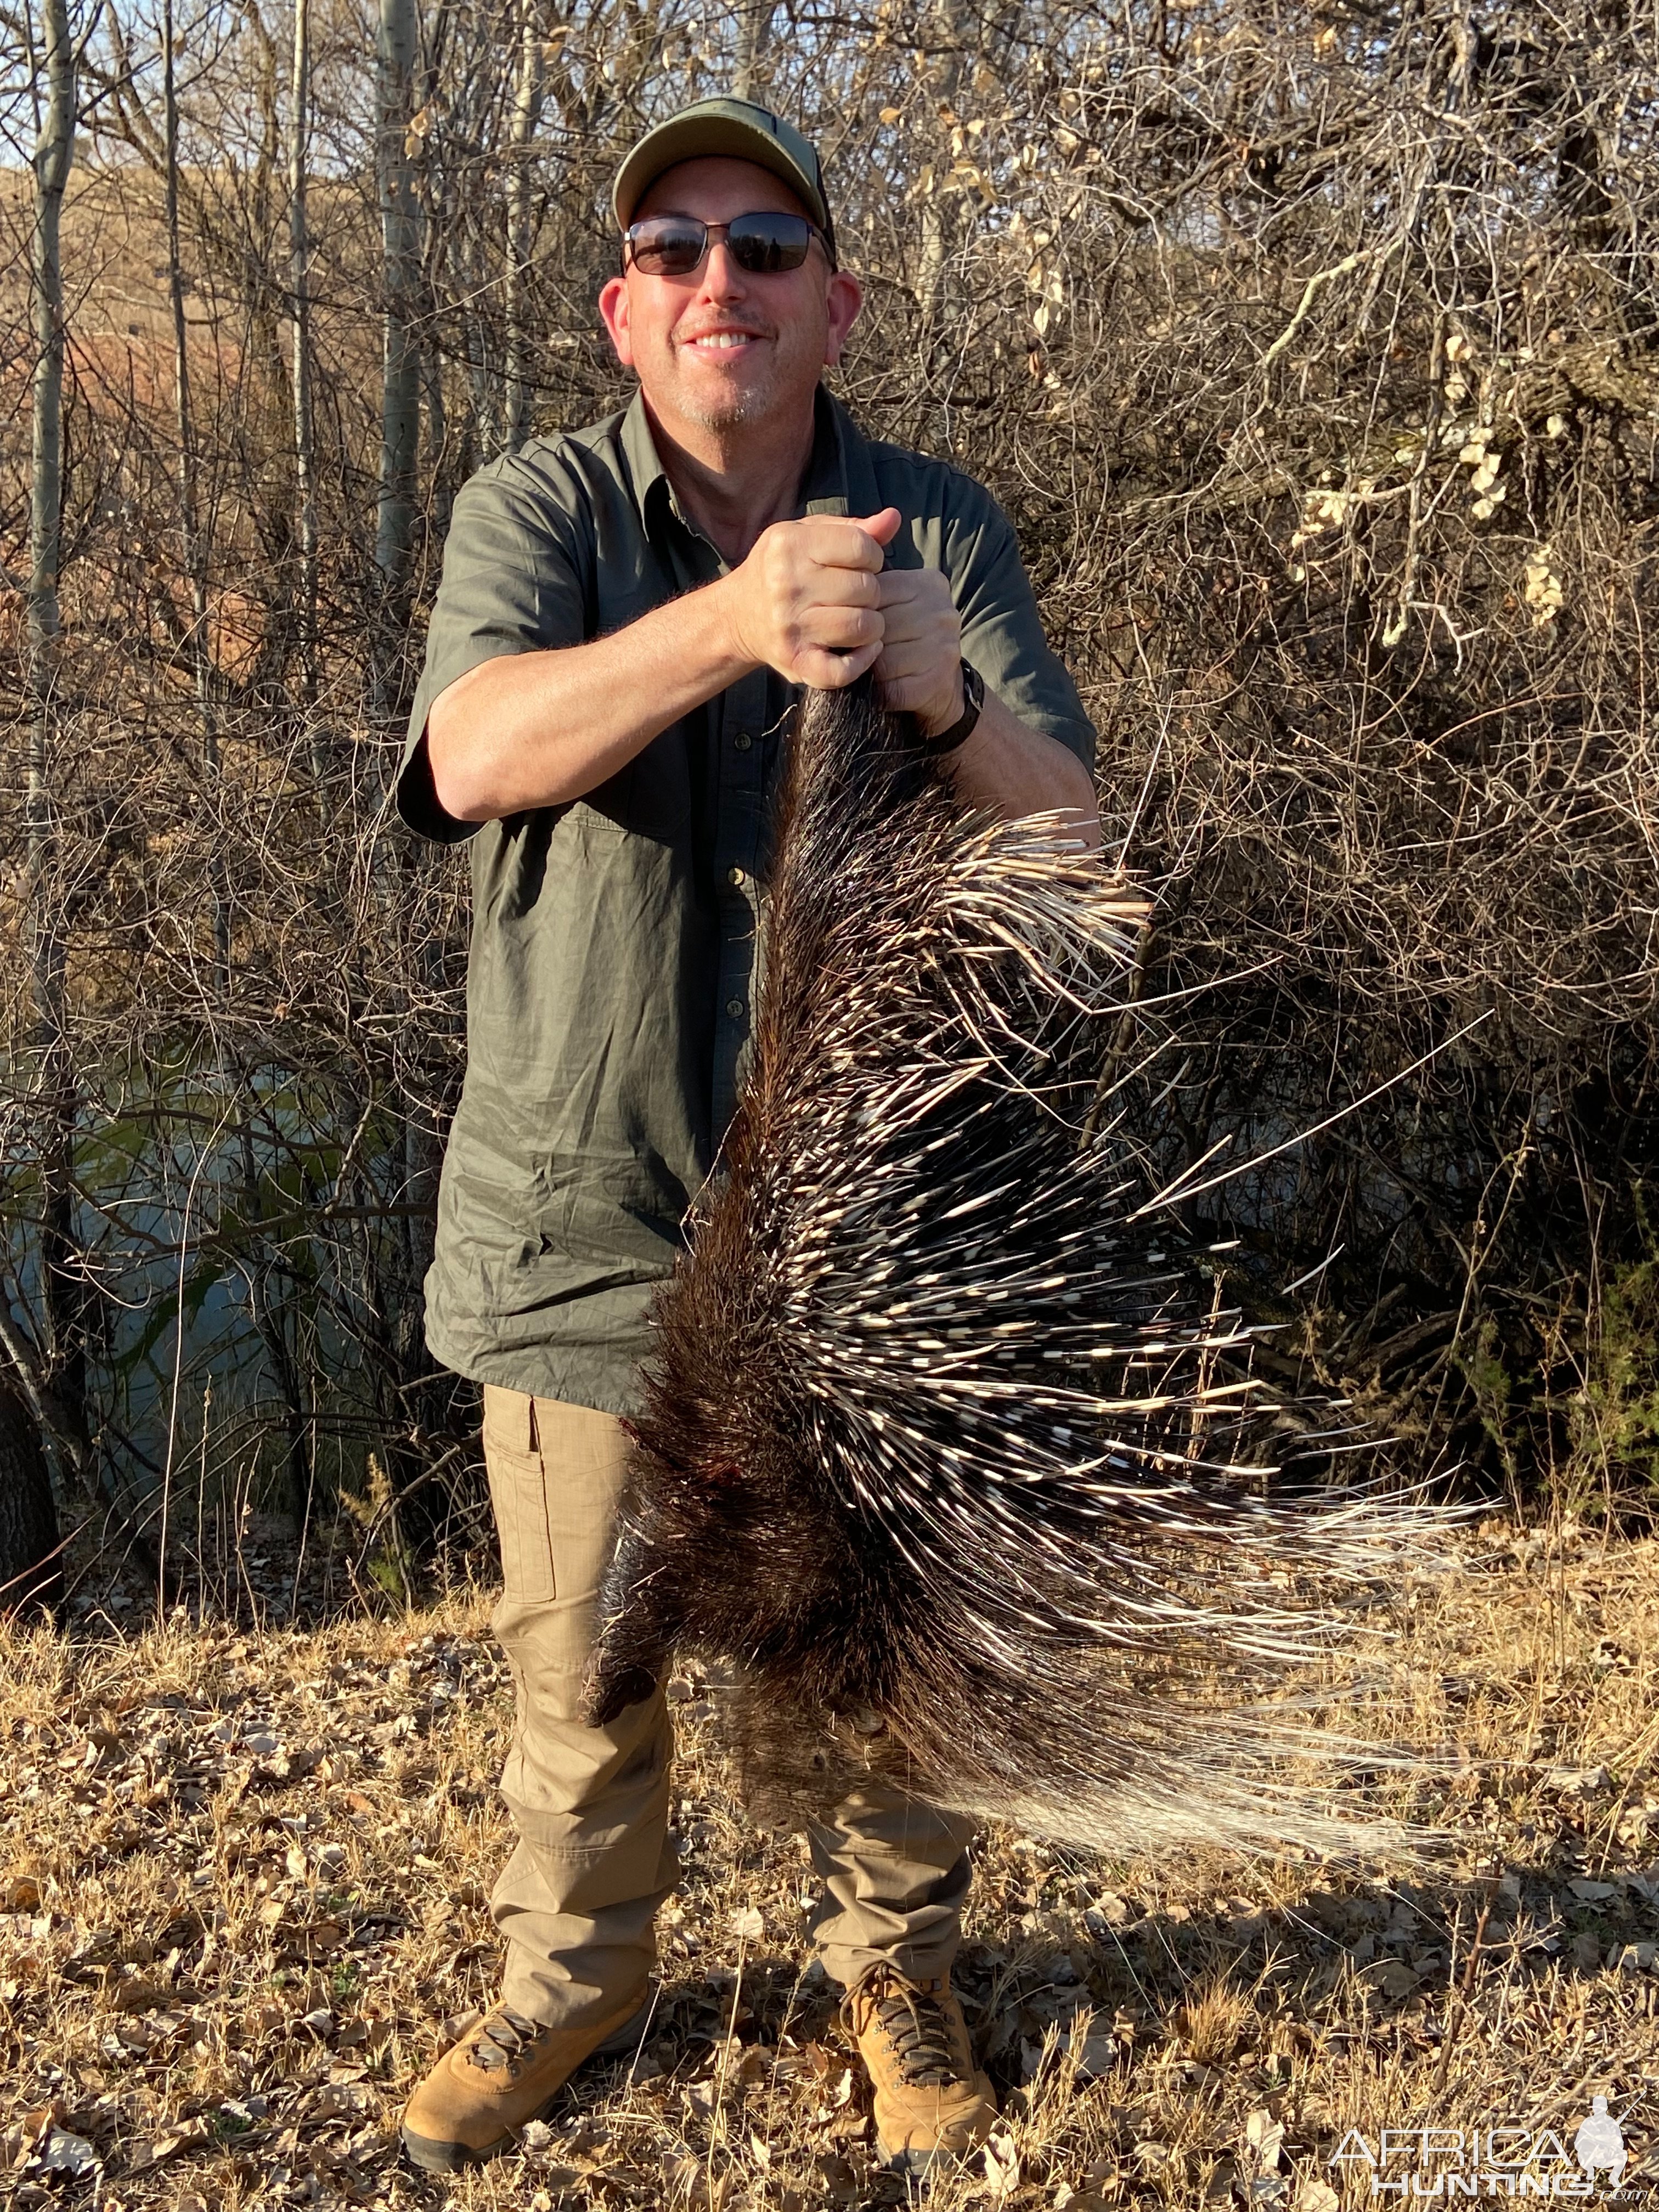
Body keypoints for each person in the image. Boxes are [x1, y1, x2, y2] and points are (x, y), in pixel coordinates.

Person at [394, 96, 1101, 2178]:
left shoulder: (937, 524)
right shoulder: (537, 508)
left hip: (881, 1232)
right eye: (678, 250)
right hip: (584, 1215)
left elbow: (1087, 858)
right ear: (625, 312)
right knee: (582, 1662)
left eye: (768, 244)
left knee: (885, 1643)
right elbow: (470, 748)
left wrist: (943, 699)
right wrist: (724, 626)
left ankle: (894, 1963)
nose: (725, 281)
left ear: (836, 300)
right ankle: (574, 1970)